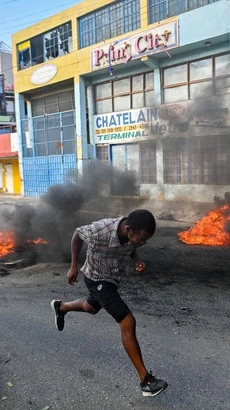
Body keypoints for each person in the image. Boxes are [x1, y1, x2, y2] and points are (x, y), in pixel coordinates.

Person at [51, 209, 168, 397]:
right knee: (127, 321)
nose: (143, 242)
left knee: (91, 308)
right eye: (142, 238)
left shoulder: (130, 234)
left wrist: (136, 260)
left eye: (147, 239)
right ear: (128, 229)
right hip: (97, 278)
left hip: (112, 279)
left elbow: (130, 246)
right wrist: (73, 266)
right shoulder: (101, 229)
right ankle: (145, 381)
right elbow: (77, 234)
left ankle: (61, 307)